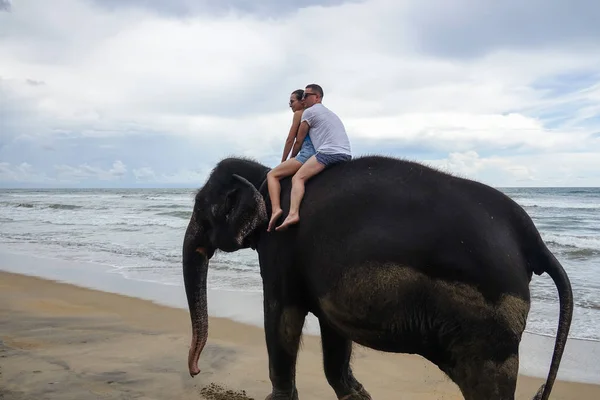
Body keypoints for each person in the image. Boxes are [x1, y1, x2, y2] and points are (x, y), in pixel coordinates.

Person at [275, 83, 352, 231]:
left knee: (298, 178)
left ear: (317, 97)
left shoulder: (309, 112)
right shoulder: (329, 113)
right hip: (345, 153)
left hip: (328, 152)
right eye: (302, 96)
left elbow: (299, 140)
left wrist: (291, 159)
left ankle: (292, 214)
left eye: (306, 95)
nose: (303, 98)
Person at [266, 89, 317, 231]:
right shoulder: (314, 114)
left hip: (307, 153)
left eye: (292, 101)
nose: (290, 105)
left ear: (302, 101)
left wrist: (283, 161)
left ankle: (276, 209)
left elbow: (291, 140)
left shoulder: (299, 114)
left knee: (272, 175)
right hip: (317, 154)